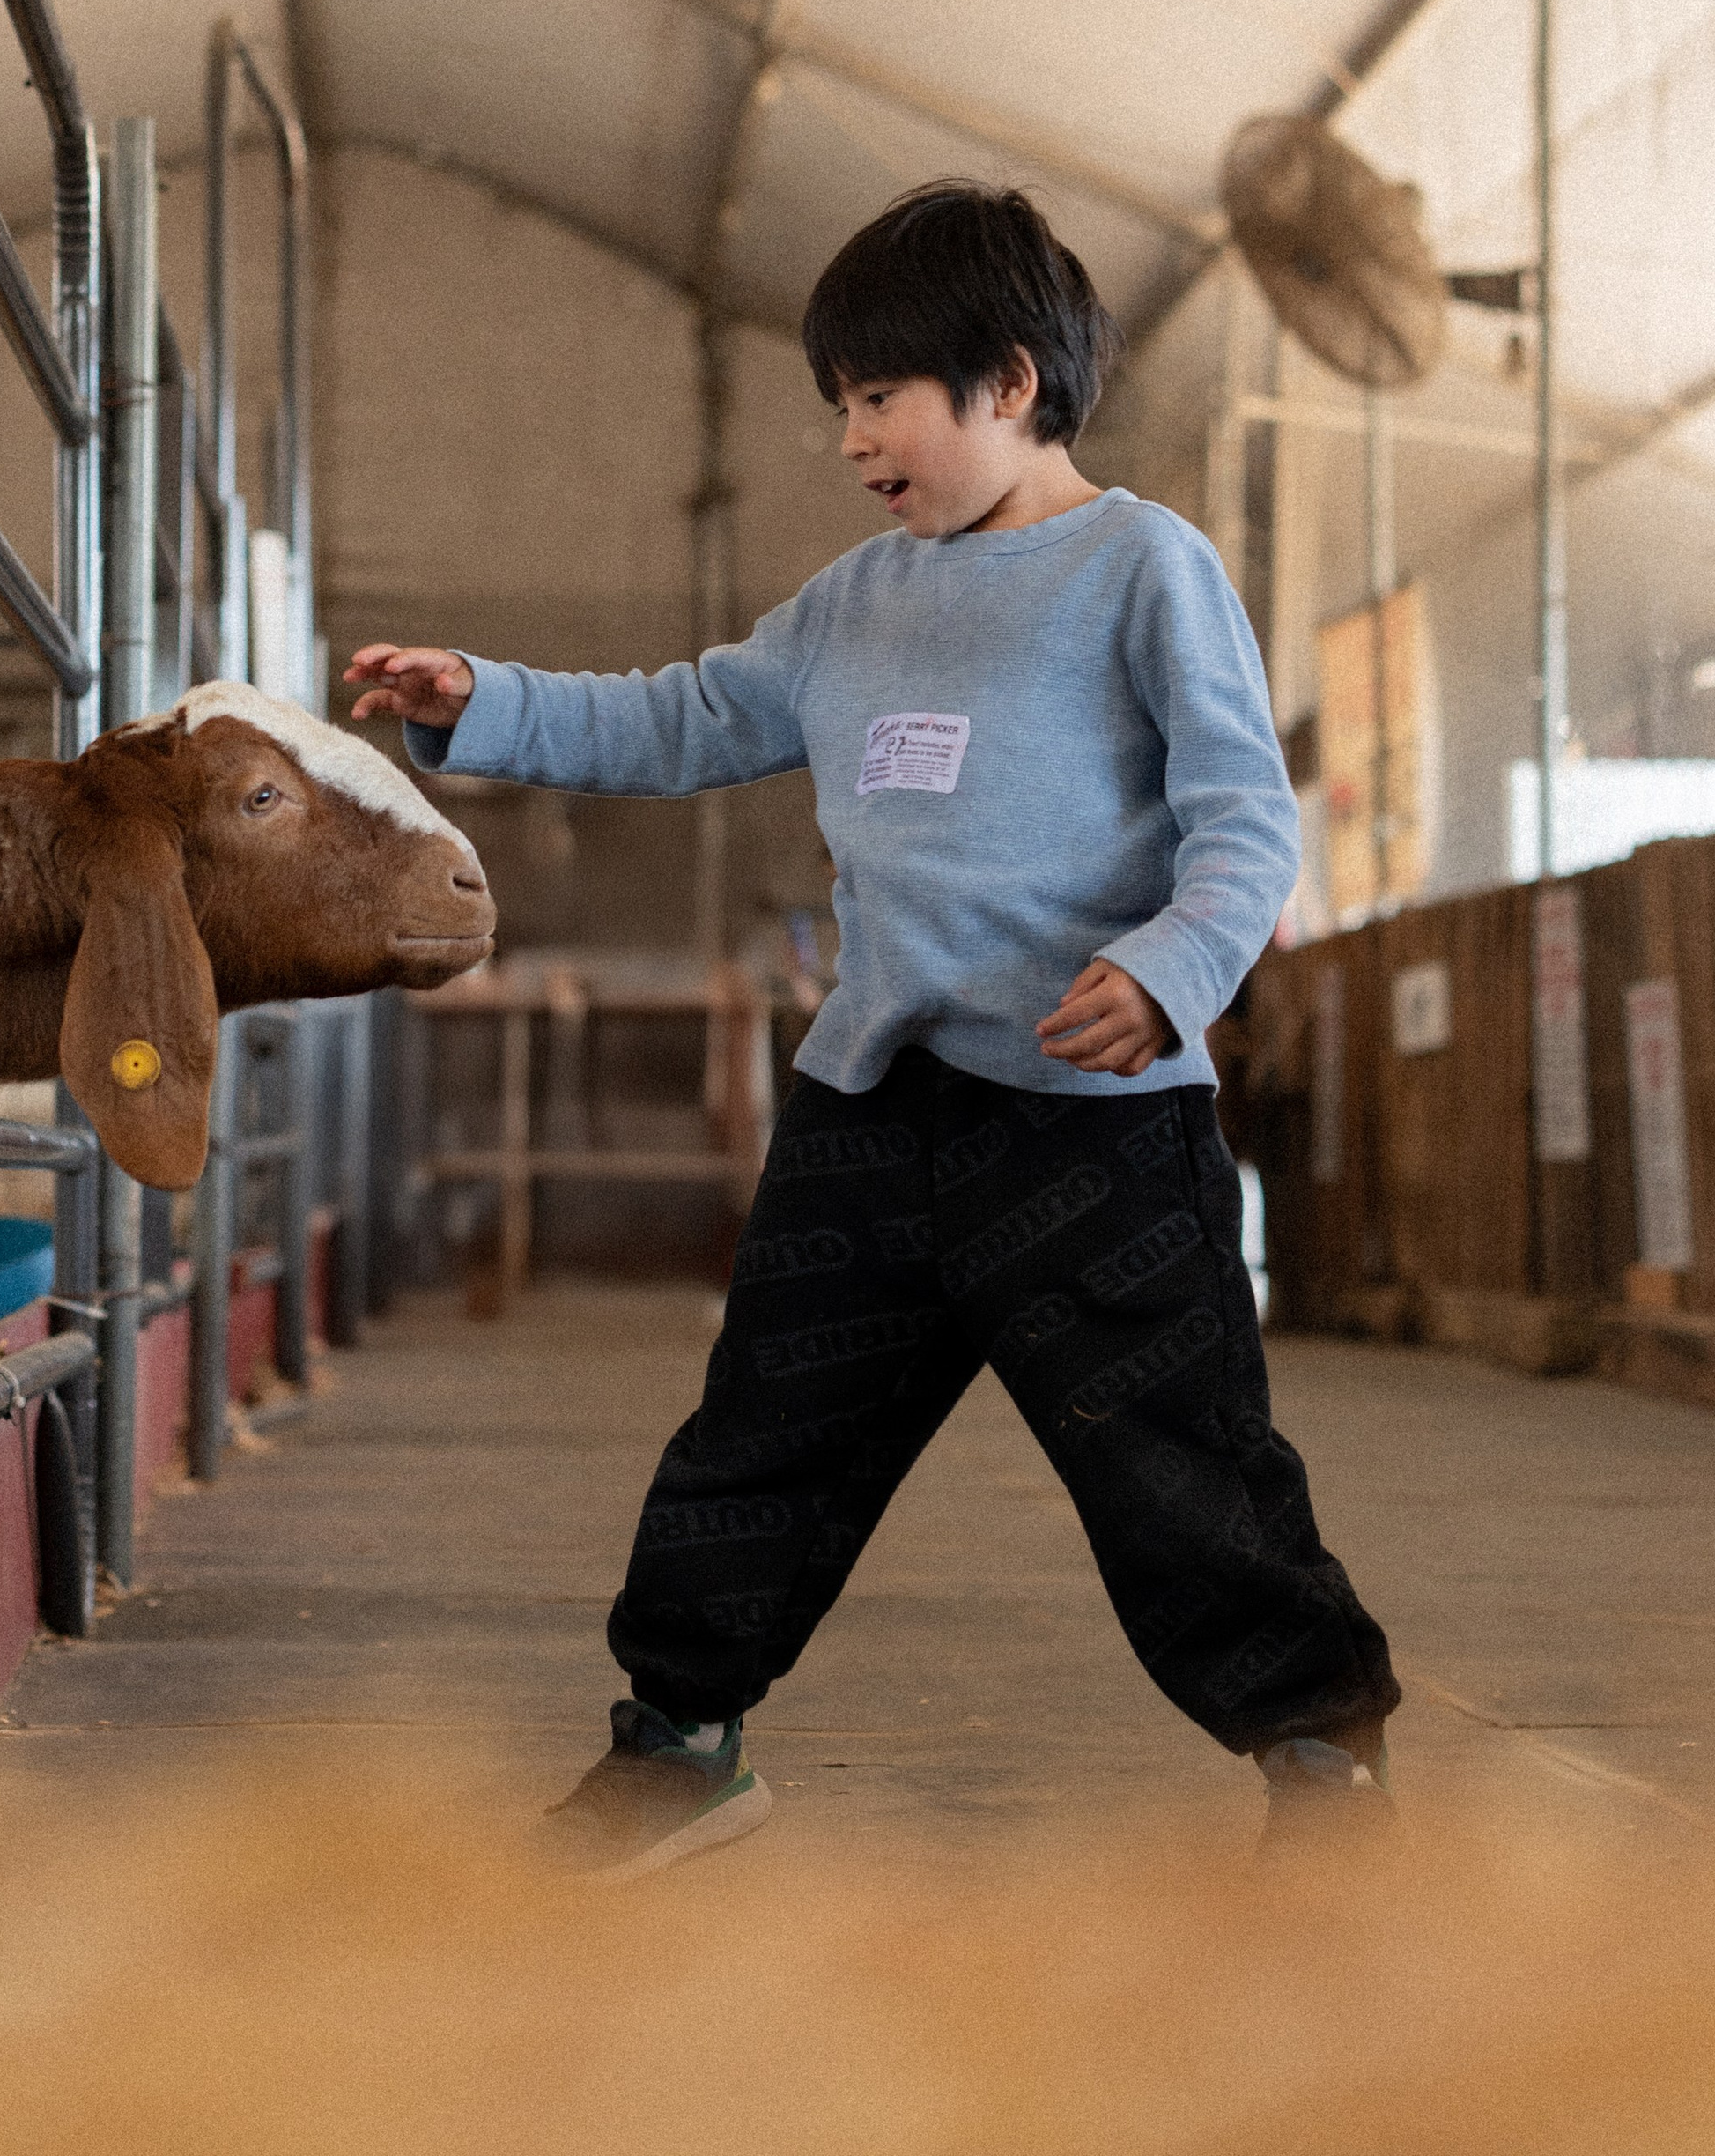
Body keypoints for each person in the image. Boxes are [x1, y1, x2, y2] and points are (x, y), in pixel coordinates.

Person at [346, 182, 1399, 1877]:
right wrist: (492, 697)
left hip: (1096, 1117)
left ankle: (1322, 1768)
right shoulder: (852, 601)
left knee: (1177, 1454)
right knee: (766, 1430)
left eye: (880, 397)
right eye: (839, 402)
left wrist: (1178, 968)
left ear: (1008, 382)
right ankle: (678, 1744)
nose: (852, 440)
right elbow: (689, 717)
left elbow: (1243, 819)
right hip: (876, 1111)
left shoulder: (1144, 567)